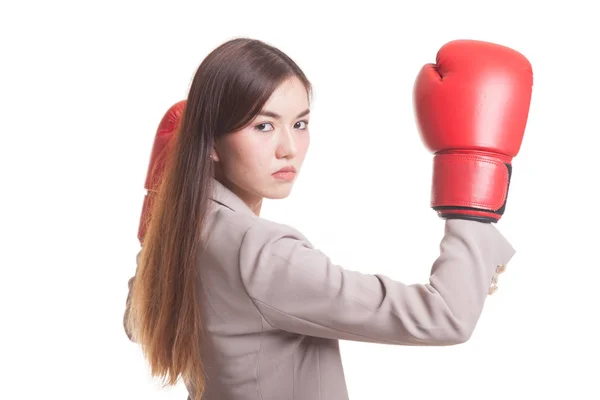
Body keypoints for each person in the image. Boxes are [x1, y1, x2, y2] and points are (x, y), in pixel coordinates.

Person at [123, 38, 532, 400]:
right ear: (209, 141)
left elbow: (137, 323)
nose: (289, 148)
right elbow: (446, 317)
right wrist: (473, 188)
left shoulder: (189, 232)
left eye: (299, 123)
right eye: (264, 126)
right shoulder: (261, 253)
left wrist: (159, 214)